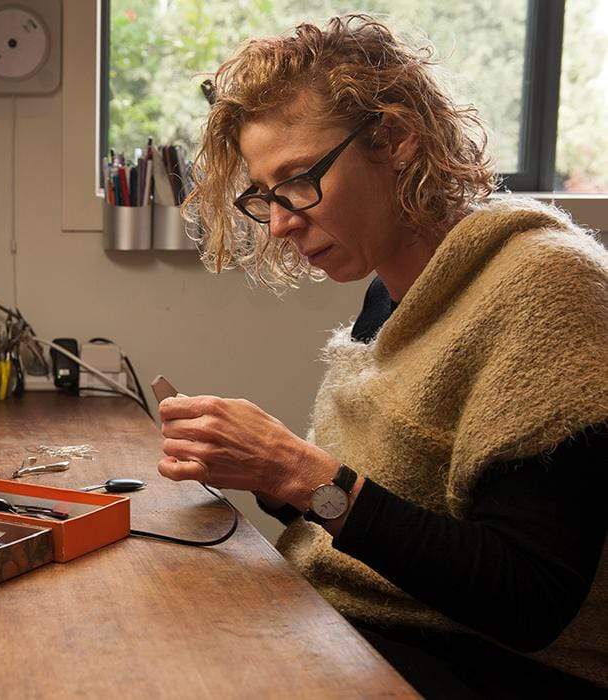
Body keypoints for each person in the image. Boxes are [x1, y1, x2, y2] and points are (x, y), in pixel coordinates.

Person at [157, 14, 608, 698]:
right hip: (354, 626)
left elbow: (527, 599)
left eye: (300, 180)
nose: (280, 221)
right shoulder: (390, 293)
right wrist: (258, 468)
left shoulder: (547, 288)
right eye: (266, 196)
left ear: (395, 139)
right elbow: (386, 511)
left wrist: (295, 470)